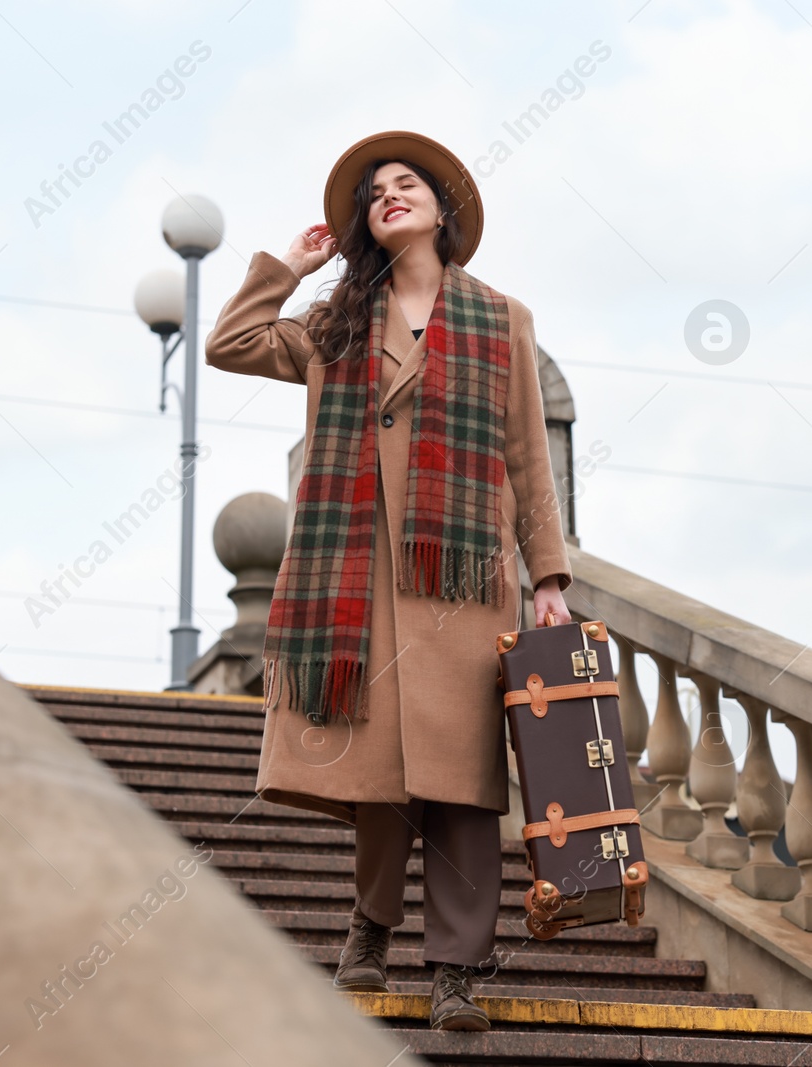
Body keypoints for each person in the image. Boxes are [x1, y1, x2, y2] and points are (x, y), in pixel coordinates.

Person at [204, 130, 573, 1032]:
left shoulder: (502, 318)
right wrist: (287, 265)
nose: (390, 196)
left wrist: (550, 577)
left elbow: (528, 453)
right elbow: (229, 341)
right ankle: (369, 924)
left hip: (462, 579)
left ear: (442, 211)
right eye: (376, 193)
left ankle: (455, 970)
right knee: (382, 775)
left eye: (407, 185)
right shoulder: (337, 324)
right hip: (358, 579)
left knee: (463, 780)